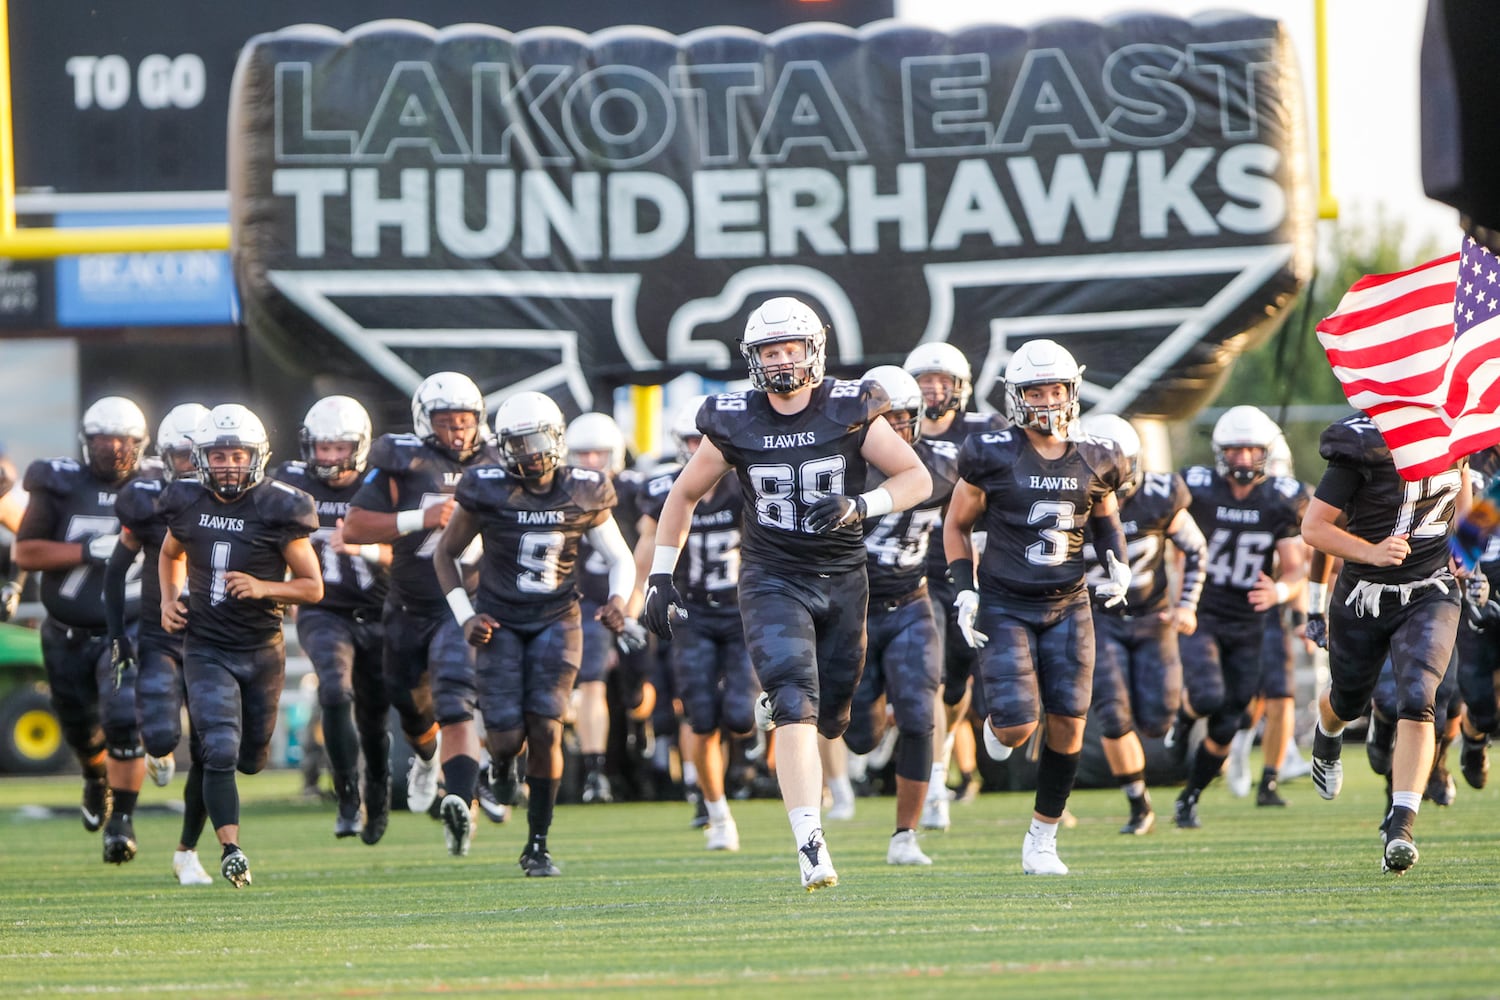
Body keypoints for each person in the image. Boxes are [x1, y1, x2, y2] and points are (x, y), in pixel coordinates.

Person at [643, 296, 932, 891]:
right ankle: (809, 842)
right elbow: (682, 495)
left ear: (813, 351)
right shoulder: (734, 418)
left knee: (842, 722)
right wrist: (659, 576)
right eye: (768, 351)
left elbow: (916, 478)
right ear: (753, 359)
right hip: (773, 578)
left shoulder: (849, 407)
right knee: (794, 701)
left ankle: (818, 731)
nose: (780, 362)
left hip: (845, 578)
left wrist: (862, 504)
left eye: (790, 349)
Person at [943, 338, 1131, 875]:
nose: (1047, 401)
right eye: (1035, 391)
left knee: (1070, 722)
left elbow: (1105, 517)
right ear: (1016, 397)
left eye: (1055, 390)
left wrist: (1117, 562)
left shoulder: (1099, 454)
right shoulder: (990, 453)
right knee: (1017, 728)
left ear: (1072, 391)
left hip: (1069, 604)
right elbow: (955, 526)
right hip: (1005, 603)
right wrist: (964, 587)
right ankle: (996, 725)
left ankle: (1042, 839)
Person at [432, 391, 637, 874]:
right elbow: (445, 555)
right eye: (516, 444)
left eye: (536, 440)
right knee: (504, 739)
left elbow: (619, 557)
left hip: (557, 619)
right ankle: (499, 768)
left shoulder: (584, 488)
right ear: (501, 447)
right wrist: (466, 616)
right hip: (499, 621)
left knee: (546, 727)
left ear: (557, 438)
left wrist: (617, 601)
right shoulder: (485, 486)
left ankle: (538, 844)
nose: (528, 453)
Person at [158, 403, 323, 887]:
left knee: (249, 759)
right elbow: (170, 553)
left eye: (237, 454)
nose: (229, 463)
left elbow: (313, 587)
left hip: (261, 650)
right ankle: (231, 847)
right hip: (206, 647)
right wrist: (169, 599)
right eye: (220, 454)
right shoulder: (186, 502)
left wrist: (263, 586)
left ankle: (188, 847)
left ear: (256, 456)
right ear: (202, 457)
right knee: (219, 749)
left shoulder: (279, 507)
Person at [1302, 411, 1469, 874]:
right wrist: (1370, 552)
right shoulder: (1361, 445)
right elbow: (1314, 528)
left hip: (1432, 590)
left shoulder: (1454, 432)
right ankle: (1328, 730)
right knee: (1348, 699)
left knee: (1419, 697)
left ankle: (1401, 825)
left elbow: (1468, 502)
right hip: (1365, 594)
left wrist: (1466, 561)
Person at [342, 373, 501, 821]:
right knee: (410, 709)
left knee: (455, 701)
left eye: (465, 420)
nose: (457, 430)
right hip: (409, 604)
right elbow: (353, 527)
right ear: (425, 421)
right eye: (446, 420)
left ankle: (462, 798)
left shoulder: (495, 461)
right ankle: (427, 761)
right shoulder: (403, 460)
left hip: (464, 603)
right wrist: (419, 517)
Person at [13, 396, 151, 864]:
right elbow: (26, 553)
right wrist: (89, 552)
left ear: (141, 443)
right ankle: (96, 781)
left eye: (122, 440)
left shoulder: (157, 486)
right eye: (102, 439)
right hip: (66, 630)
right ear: (85, 442)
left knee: (124, 716)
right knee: (78, 729)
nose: (113, 449)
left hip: (126, 628)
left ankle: (123, 821)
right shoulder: (59, 483)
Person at [1171, 406, 1307, 828]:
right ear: (1220, 453)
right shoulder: (1199, 489)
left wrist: (1281, 591)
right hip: (1205, 612)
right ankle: (1183, 716)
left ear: (1266, 452)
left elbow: (1296, 567)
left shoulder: (1281, 499)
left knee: (1231, 720)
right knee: (1210, 696)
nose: (1244, 459)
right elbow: (1171, 535)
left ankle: (1189, 796)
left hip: (1250, 621)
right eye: (1235, 451)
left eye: (1251, 450)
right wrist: (1179, 592)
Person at [846, 364, 957, 865]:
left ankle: (905, 836)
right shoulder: (843, 464)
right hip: (855, 610)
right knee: (859, 736)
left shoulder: (946, 464)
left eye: (903, 419)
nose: (895, 430)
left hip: (913, 601)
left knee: (918, 713)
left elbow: (983, 509)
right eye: (885, 420)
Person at [633, 394, 753, 852]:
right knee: (700, 715)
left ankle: (745, 753)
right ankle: (716, 809)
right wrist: (637, 598)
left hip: (743, 610)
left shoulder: (746, 482)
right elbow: (648, 544)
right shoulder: (667, 487)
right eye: (689, 439)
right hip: (691, 614)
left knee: (740, 716)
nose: (697, 447)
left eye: (703, 438)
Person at [271, 396, 393, 842]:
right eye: (322, 447)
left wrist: (367, 547)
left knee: (376, 718)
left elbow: (416, 551)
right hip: (323, 610)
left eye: (339, 448)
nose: (329, 457)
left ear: (359, 447)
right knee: (335, 692)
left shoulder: (384, 483)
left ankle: (376, 790)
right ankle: (346, 793)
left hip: (380, 609)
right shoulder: (289, 484)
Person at [103, 402, 215, 885]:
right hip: (160, 633)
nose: (189, 465)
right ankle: (158, 749)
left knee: (216, 747)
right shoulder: (146, 496)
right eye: (180, 455)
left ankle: (193, 849)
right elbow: (114, 569)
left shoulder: (243, 496)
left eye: (197, 455)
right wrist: (116, 636)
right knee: (163, 736)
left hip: (219, 637)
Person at [1077, 413, 1205, 835]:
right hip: (1099, 619)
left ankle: (1179, 720)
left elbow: (1195, 548)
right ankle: (1138, 804)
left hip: (1153, 617)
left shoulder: (1160, 496)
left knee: (1157, 720)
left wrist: (1186, 605)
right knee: (1113, 715)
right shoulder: (1071, 499)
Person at [902, 341, 1007, 829]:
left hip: (969, 565)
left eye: (942, 381)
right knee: (932, 676)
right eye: (924, 381)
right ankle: (938, 777)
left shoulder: (985, 431)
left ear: (961, 387)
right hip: (914, 567)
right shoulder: (894, 428)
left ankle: (943, 753)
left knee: (956, 681)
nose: (933, 390)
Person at [564, 411, 632, 804]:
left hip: (621, 602)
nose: (591, 462)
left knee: (636, 693)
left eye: (599, 454)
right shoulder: (556, 489)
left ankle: (631, 753)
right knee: (586, 683)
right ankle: (592, 771)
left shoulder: (634, 490)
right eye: (582, 454)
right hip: (574, 603)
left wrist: (633, 602)